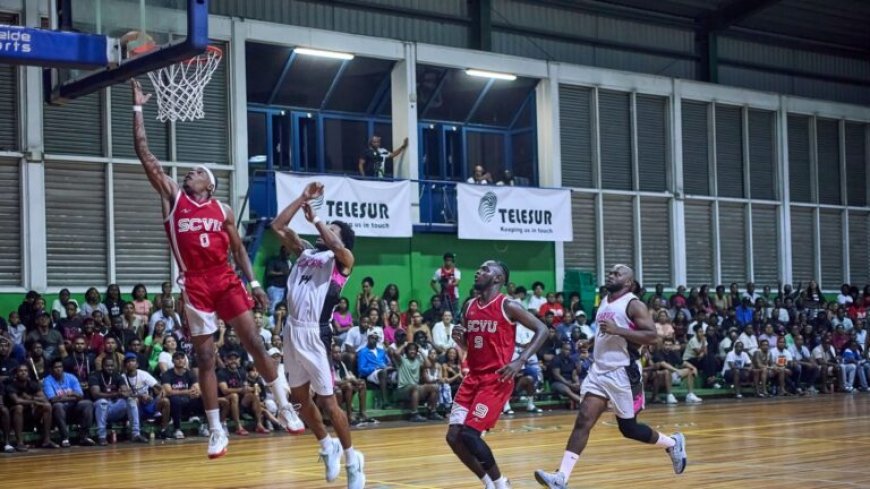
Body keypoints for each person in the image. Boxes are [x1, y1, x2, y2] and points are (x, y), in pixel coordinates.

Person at [131, 79, 303, 459]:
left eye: (195, 171)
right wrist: (138, 108)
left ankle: (284, 405)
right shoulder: (175, 199)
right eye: (188, 172)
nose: (188, 173)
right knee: (205, 358)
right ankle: (215, 430)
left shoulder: (222, 210)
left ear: (208, 183)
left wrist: (254, 280)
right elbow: (145, 156)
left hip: (225, 279)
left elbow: (240, 250)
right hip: (194, 284)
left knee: (255, 343)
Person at [534, 265, 686, 489]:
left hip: (623, 372)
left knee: (629, 429)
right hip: (599, 371)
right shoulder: (604, 300)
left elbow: (652, 336)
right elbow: (606, 331)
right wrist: (591, 342)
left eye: (617, 273)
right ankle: (561, 477)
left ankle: (673, 443)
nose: (611, 275)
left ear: (629, 283)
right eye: (611, 272)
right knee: (584, 419)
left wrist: (618, 330)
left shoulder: (634, 304)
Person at [271, 180, 365, 488]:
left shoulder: (342, 261)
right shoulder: (305, 252)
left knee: (328, 401)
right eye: (329, 229)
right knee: (299, 396)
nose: (328, 233)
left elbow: (338, 246)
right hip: (291, 330)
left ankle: (353, 460)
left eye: (335, 230)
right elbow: (278, 225)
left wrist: (319, 220)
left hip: (316, 334)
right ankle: (327, 444)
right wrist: (302, 199)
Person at [446, 260, 548, 489]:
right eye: (479, 267)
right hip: (472, 378)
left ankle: (501, 484)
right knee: (453, 437)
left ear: (498, 278)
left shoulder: (508, 305)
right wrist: (460, 339)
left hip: (496, 379)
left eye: (485, 269)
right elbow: (471, 345)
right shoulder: (470, 305)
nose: (478, 271)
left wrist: (520, 360)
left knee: (470, 435)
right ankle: (488, 483)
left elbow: (542, 330)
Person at [432, 252, 461, 317]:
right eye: (447, 260)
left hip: (454, 297)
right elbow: (432, 283)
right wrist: (438, 292)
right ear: (444, 260)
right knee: (444, 314)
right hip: (443, 297)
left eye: (450, 260)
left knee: (455, 315)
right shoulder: (438, 271)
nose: (448, 262)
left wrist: (449, 284)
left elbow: (457, 282)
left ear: (452, 261)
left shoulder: (456, 271)